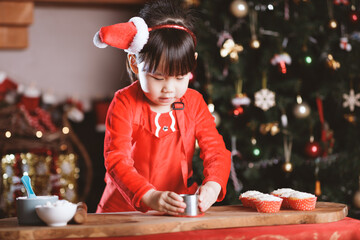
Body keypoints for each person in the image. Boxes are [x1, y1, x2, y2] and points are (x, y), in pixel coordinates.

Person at [93, 0, 231, 216]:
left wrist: (213, 185)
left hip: (178, 208)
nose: (169, 88)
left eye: (180, 77)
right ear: (134, 63)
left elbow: (215, 150)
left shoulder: (194, 102)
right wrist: (149, 196)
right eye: (158, 78)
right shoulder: (124, 102)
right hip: (123, 211)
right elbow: (117, 160)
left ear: (192, 63)